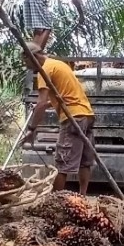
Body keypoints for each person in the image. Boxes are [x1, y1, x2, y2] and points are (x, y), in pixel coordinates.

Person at [20, 42, 97, 195]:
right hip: (86, 115)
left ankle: (55, 201)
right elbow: (65, 95)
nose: (27, 65)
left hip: (72, 117)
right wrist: (50, 103)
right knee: (84, 162)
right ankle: (82, 196)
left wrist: (31, 129)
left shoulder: (44, 70)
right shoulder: (58, 64)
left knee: (62, 162)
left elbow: (40, 103)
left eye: (26, 61)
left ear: (33, 57)